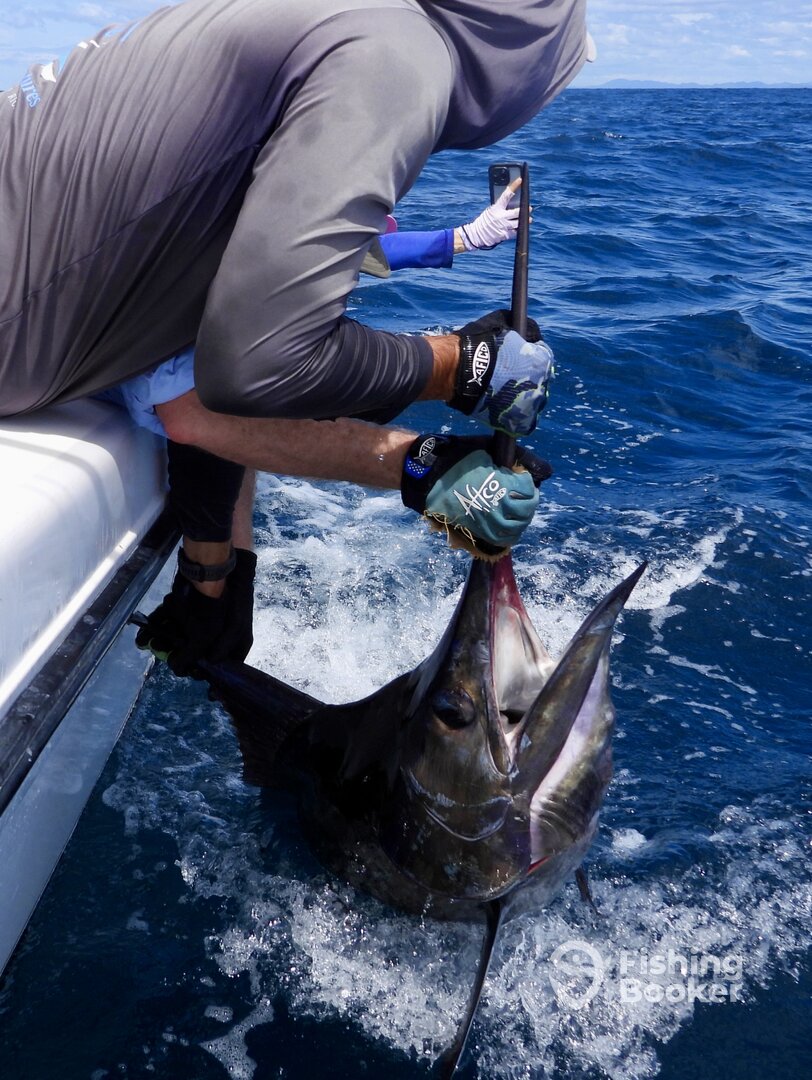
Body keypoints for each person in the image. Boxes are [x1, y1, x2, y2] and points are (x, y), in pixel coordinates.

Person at [1, 0, 594, 671]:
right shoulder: (398, 53)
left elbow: (220, 348)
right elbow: (250, 369)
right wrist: (445, 403)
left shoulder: (311, 22)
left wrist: (217, 570)